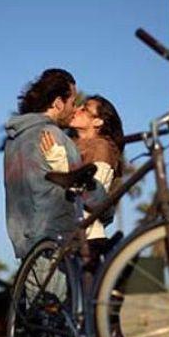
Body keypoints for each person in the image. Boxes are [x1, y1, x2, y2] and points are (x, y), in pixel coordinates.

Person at [4, 68, 107, 260]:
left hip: (26, 245)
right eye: (73, 102)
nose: (75, 108)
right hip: (56, 242)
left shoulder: (14, 140)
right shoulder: (54, 136)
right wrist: (107, 206)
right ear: (58, 103)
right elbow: (84, 186)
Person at [39, 94, 124, 275]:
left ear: (98, 122)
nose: (76, 109)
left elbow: (93, 193)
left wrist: (57, 161)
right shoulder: (70, 144)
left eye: (85, 109)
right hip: (66, 234)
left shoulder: (101, 147)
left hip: (89, 238)